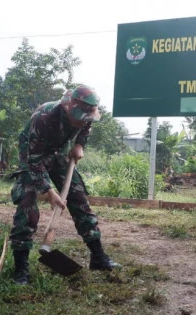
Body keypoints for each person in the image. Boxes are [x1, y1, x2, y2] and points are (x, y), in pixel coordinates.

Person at [8, 84, 119, 285]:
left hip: (57, 154)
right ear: (68, 107)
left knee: (78, 198)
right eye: (78, 117)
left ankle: (98, 257)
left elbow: (87, 125)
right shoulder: (43, 117)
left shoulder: (85, 116)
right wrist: (49, 191)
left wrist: (79, 145)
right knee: (28, 203)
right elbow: (34, 160)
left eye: (86, 117)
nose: (81, 121)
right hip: (32, 156)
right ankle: (21, 269)